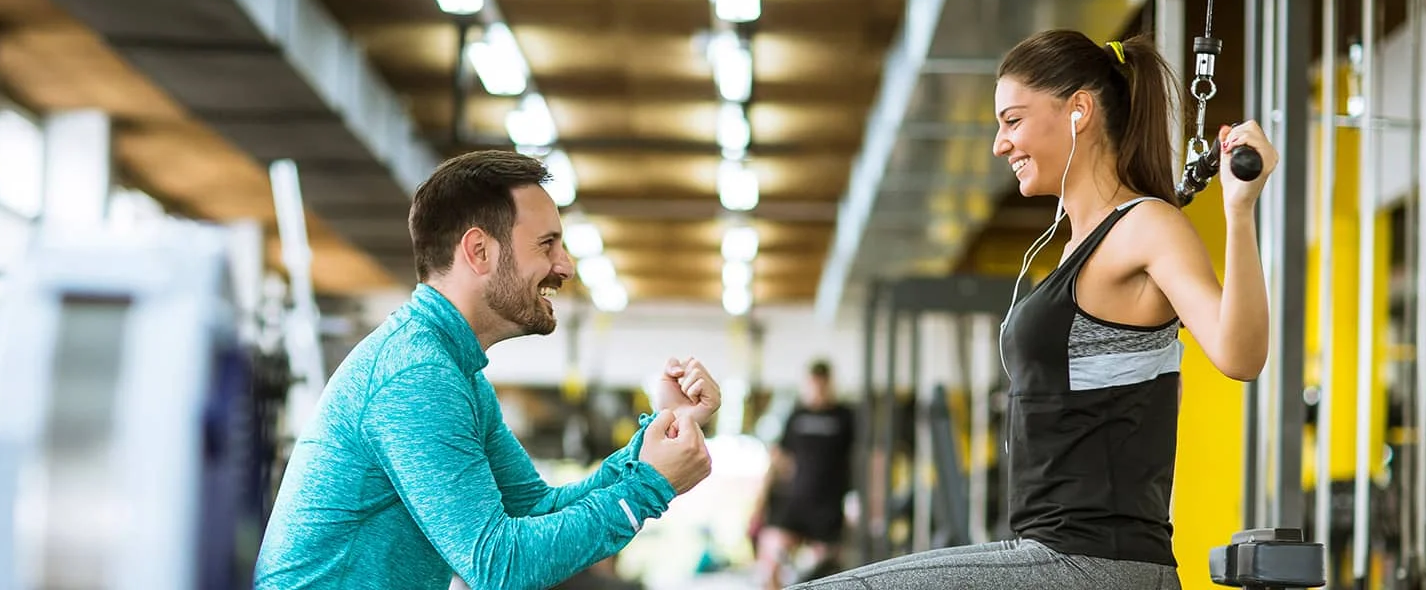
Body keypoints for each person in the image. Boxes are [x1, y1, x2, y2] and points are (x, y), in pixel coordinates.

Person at [789, 29, 1276, 589]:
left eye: (1012, 120)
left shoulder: (1145, 225)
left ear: (1079, 111)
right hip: (1052, 555)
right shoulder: (1075, 247)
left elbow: (1240, 354)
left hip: (1093, 564)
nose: (1000, 144)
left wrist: (1239, 211)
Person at [255, 150, 721, 590]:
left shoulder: (456, 372)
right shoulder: (417, 373)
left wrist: (660, 435)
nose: (566, 266)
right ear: (479, 251)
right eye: (547, 245)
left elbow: (535, 511)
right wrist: (647, 488)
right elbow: (497, 565)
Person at [751, 360, 856, 589]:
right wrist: (761, 498)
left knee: (825, 572)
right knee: (771, 559)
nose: (817, 390)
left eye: (822, 384)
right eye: (813, 384)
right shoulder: (797, 415)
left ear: (829, 384)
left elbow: (863, 459)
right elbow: (779, 457)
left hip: (828, 506)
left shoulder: (845, 416)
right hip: (796, 502)